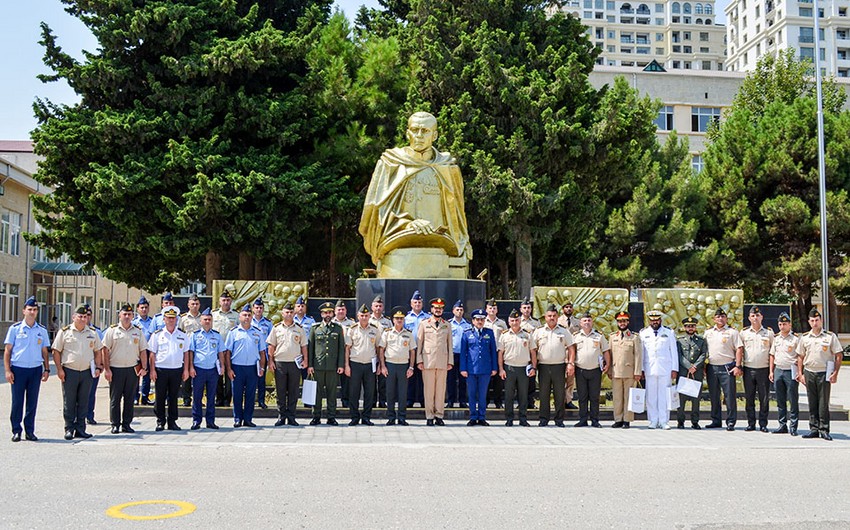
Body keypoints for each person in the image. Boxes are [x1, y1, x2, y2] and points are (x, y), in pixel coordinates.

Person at [358, 111, 472, 274]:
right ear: (407, 133)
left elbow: (458, 219)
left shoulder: (447, 167)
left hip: (442, 253)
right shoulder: (391, 164)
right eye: (414, 130)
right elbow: (375, 212)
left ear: (435, 135)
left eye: (425, 131)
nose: (419, 135)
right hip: (398, 255)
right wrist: (406, 224)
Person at [52, 305, 104, 440]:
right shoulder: (65, 332)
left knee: (83, 401)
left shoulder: (92, 333)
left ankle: (81, 429)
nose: (82, 319)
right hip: (70, 371)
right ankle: (69, 428)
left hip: (86, 372)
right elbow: (56, 351)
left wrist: (98, 367)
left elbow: (98, 351)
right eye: (80, 316)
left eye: (85, 316)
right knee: (69, 401)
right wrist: (59, 369)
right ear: (73, 317)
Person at [4, 296, 50, 442]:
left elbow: (44, 351)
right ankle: (16, 430)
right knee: (17, 402)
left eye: (35, 310)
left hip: (35, 370)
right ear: (24, 311)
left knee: (32, 402)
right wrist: (7, 370)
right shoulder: (15, 329)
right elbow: (7, 351)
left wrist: (47, 369)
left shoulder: (41, 330)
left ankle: (30, 431)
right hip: (18, 369)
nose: (32, 312)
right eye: (29, 309)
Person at [102, 303, 148, 434]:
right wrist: (107, 369)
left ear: (133, 316)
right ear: (119, 315)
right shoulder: (112, 330)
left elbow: (143, 350)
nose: (127, 317)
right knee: (115, 399)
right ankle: (115, 424)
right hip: (116, 369)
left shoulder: (137, 331)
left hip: (132, 370)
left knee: (129, 398)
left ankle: (126, 424)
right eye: (124, 314)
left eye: (129, 314)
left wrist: (144, 367)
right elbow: (105, 350)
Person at [796, 308, 842, 441]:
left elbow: (838, 355)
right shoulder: (804, 338)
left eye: (817, 320)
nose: (815, 323)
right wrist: (800, 373)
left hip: (824, 373)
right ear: (809, 322)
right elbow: (800, 356)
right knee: (812, 402)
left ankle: (824, 429)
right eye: (812, 320)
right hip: (809, 372)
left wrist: (835, 373)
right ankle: (814, 428)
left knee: (823, 402)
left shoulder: (829, 336)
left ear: (821, 321)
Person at [530, 303, 575, 427]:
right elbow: (533, 349)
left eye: (554, 315)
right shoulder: (538, 332)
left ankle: (559, 419)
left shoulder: (563, 331)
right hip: (543, 366)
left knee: (559, 394)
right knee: (544, 394)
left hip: (559, 366)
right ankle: (543, 419)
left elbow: (571, 348)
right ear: (545, 317)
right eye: (549, 315)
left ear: (557, 316)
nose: (552, 318)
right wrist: (534, 365)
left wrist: (570, 363)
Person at [224, 304, 266, 428]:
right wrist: (229, 369)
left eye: (249, 315)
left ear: (252, 316)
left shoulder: (257, 333)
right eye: (244, 315)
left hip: (252, 367)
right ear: (240, 317)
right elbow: (227, 353)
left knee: (250, 394)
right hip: (237, 367)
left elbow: (262, 352)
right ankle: (237, 418)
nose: (247, 317)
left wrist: (262, 368)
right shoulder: (233, 332)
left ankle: (248, 419)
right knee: (237, 394)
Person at [267, 301, 308, 427]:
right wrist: (270, 361)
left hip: (295, 364)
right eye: (287, 312)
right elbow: (271, 346)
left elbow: (304, 346)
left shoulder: (299, 329)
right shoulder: (276, 328)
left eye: (291, 312)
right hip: (280, 363)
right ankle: (281, 416)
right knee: (280, 391)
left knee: (293, 391)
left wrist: (306, 360)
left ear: (294, 313)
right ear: (282, 313)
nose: (289, 314)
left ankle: (291, 416)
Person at [149, 307, 189, 431]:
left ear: (176, 319)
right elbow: (152, 354)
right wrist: (152, 370)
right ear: (164, 319)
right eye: (169, 318)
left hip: (176, 370)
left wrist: (186, 369)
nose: (171, 320)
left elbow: (186, 353)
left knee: (174, 397)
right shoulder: (157, 335)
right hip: (161, 369)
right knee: (160, 396)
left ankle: (172, 422)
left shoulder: (182, 335)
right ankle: (160, 421)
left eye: (173, 318)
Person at [703, 307, 744, 431]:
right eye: (718, 317)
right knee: (714, 395)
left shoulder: (733, 332)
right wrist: (704, 366)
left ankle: (731, 421)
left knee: (729, 396)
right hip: (712, 367)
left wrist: (737, 366)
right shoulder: (708, 332)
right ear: (714, 319)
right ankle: (716, 420)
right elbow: (704, 350)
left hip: (727, 367)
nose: (720, 319)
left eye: (723, 316)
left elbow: (739, 349)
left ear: (726, 318)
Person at [344, 305, 384, 426]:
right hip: (355, 364)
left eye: (366, 316)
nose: (364, 318)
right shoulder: (352, 329)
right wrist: (347, 365)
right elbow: (347, 349)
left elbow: (378, 348)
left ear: (369, 316)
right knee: (354, 392)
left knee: (369, 392)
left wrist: (380, 365)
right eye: (362, 315)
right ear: (358, 316)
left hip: (370, 364)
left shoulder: (374, 329)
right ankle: (354, 417)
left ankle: (366, 417)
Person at [640, 310, 678, 430]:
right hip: (649, 368)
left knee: (664, 395)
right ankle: (653, 420)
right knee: (651, 396)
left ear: (660, 320)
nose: (654, 322)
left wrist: (674, 368)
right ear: (649, 321)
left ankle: (664, 421)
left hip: (665, 368)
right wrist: (641, 369)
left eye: (657, 319)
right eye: (652, 320)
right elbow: (641, 353)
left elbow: (674, 351)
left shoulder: (669, 332)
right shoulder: (643, 333)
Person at [417, 297, 453, 426]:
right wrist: (419, 360)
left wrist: (450, 361)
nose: (438, 310)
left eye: (440, 308)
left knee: (440, 390)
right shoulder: (424, 324)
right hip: (428, 361)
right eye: (436, 308)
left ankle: (439, 415)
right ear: (431, 309)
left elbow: (450, 344)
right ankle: (429, 416)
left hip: (442, 361)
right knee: (429, 390)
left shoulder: (447, 324)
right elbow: (419, 342)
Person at [187, 308, 225, 430]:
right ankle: (196, 421)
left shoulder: (217, 335)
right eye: (205, 319)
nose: (207, 321)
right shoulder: (195, 335)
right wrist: (191, 367)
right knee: (197, 396)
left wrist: (223, 366)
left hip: (213, 370)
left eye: (209, 319)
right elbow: (191, 352)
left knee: (211, 396)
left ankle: (210, 421)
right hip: (199, 369)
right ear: (201, 321)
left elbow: (220, 352)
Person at [308, 302, 345, 425]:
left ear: (333, 313)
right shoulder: (315, 328)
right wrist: (310, 365)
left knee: (332, 393)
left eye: (330, 312)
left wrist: (340, 365)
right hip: (318, 366)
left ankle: (331, 417)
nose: (327, 315)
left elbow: (341, 349)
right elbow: (311, 348)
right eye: (325, 312)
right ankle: (316, 416)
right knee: (317, 393)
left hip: (332, 366)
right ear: (321, 314)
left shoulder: (338, 329)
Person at [460, 309, 497, 426]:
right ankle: (472, 416)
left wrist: (494, 367)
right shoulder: (466, 333)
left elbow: (493, 352)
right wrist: (463, 368)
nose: (480, 321)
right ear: (473, 321)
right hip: (471, 369)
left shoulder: (489, 333)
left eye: (482, 319)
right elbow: (463, 353)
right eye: (477, 319)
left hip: (485, 369)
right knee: (471, 394)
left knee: (482, 395)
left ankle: (481, 417)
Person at [498, 309, 535, 427]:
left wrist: (533, 367)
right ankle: (509, 419)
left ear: (520, 321)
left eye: (517, 320)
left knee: (523, 395)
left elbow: (533, 352)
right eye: (512, 320)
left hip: (523, 368)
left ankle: (523, 418)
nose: (515, 322)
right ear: (509, 321)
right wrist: (501, 369)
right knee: (509, 395)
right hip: (509, 368)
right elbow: (500, 353)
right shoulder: (504, 335)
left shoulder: (527, 335)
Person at [740, 306, 774, 432]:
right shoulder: (743, 333)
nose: (755, 318)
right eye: (753, 316)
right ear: (749, 318)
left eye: (757, 315)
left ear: (762, 317)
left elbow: (772, 353)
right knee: (749, 398)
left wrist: (771, 370)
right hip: (748, 369)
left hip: (763, 369)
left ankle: (763, 424)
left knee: (764, 398)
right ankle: (751, 423)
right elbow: (740, 351)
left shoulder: (769, 333)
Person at [573, 312, 610, 427]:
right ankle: (583, 419)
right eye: (584, 321)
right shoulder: (576, 336)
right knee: (582, 396)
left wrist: (607, 364)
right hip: (580, 370)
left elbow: (605, 351)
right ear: (580, 323)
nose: (587, 323)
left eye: (589, 320)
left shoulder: (599, 336)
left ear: (592, 322)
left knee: (594, 397)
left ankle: (595, 420)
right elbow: (572, 351)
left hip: (595, 370)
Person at [379, 306, 415, 425]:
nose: (399, 320)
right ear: (393, 320)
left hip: (403, 365)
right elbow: (381, 349)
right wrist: (383, 366)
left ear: (404, 319)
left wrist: (411, 367)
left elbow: (412, 351)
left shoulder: (408, 334)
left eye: (401, 318)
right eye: (397, 318)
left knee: (402, 393)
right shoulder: (387, 333)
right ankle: (390, 417)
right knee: (390, 392)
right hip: (390, 365)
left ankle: (402, 417)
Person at [609, 311, 642, 429]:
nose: (622, 323)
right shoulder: (612, 336)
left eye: (624, 321)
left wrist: (638, 371)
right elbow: (610, 355)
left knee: (628, 396)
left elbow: (638, 355)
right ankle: (618, 419)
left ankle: (627, 419)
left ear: (628, 322)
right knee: (617, 397)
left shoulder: (634, 337)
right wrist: (609, 370)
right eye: (619, 321)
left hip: (630, 371)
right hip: (616, 370)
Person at [769, 312, 800, 436]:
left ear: (790, 325)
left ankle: (793, 426)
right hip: (779, 370)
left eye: (785, 324)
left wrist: (799, 372)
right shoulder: (776, 338)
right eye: (780, 324)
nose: (782, 326)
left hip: (791, 370)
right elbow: (772, 355)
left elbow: (799, 356)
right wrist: (771, 371)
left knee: (792, 399)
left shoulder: (796, 339)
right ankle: (782, 425)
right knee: (780, 400)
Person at [676, 316, 707, 429]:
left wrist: (695, 366)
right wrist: (689, 366)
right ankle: (680, 421)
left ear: (695, 327)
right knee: (682, 399)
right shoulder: (679, 341)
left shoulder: (701, 341)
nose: (690, 328)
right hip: (684, 372)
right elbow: (679, 356)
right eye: (688, 326)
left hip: (696, 372)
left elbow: (703, 354)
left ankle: (695, 421)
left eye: (692, 326)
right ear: (684, 327)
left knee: (696, 399)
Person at [212, 290, 238, 406]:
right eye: (224, 300)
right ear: (219, 302)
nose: (226, 302)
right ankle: (219, 399)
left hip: (230, 350)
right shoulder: (213, 315)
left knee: (229, 375)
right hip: (216, 350)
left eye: (228, 300)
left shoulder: (236, 316)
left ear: (231, 301)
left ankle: (228, 399)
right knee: (217, 375)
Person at [404, 290, 429, 408]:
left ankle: (424, 400)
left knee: (424, 378)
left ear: (422, 304)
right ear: (411, 303)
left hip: (424, 350)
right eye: (415, 302)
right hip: (409, 351)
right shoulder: (405, 318)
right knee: (410, 376)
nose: (417, 304)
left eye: (419, 302)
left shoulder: (428, 317)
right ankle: (410, 399)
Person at [179, 293, 203, 407]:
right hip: (186, 350)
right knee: (186, 375)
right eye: (192, 303)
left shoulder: (203, 318)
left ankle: (198, 399)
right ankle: (186, 398)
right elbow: (179, 333)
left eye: (197, 303)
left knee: (198, 376)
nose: (194, 305)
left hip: (199, 350)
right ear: (188, 305)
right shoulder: (183, 319)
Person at [483, 299, 507, 408]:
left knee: (499, 379)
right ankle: (486, 400)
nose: (492, 310)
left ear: (497, 310)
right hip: (486, 353)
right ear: (486, 310)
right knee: (486, 378)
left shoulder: (502, 323)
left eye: (494, 308)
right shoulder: (483, 321)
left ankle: (498, 401)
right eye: (490, 308)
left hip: (499, 353)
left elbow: (506, 336)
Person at [369, 295, 392, 409]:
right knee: (372, 380)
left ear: (383, 307)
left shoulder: (387, 322)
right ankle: (372, 401)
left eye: (380, 306)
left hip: (383, 354)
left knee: (383, 379)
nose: (378, 308)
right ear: (372, 307)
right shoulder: (367, 319)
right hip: (371, 354)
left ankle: (382, 401)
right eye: (376, 306)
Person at [448, 300, 472, 409]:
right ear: (453, 311)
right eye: (457, 309)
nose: (459, 312)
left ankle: (462, 401)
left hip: (464, 355)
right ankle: (450, 401)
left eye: (461, 310)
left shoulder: (467, 325)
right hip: (452, 355)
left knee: (463, 380)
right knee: (450, 379)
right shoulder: (448, 324)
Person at [133, 295, 156, 405]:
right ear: (137, 308)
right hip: (136, 351)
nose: (144, 309)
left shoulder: (152, 321)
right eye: (142, 307)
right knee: (136, 375)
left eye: (146, 307)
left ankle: (145, 397)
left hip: (148, 351)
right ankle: (135, 397)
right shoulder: (134, 322)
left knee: (147, 375)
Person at [557, 301, 580, 410]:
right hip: (560, 353)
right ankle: (560, 400)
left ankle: (568, 400)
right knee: (560, 380)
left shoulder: (577, 322)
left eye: (570, 307)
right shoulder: (558, 321)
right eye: (566, 307)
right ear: (562, 309)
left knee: (570, 380)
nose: (568, 309)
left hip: (572, 354)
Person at [83, 304, 104, 426]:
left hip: (92, 365)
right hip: (77, 366)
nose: (86, 318)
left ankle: (90, 415)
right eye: (83, 315)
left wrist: (99, 366)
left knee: (91, 392)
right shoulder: (71, 330)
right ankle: (77, 416)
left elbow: (100, 349)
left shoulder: (96, 331)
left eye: (88, 315)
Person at [251, 298, 273, 410]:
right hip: (251, 355)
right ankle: (250, 401)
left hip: (262, 356)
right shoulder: (249, 321)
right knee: (250, 380)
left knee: (261, 380)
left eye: (261, 308)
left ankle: (261, 401)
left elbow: (271, 341)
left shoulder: (268, 323)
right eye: (257, 308)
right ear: (253, 309)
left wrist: (270, 358)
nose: (259, 310)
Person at [519, 297, 541, 408]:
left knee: (531, 380)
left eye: (528, 308)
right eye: (524, 308)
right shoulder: (517, 321)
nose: (527, 310)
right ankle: (521, 402)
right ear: (521, 309)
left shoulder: (536, 323)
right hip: (521, 354)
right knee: (521, 380)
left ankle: (530, 402)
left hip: (533, 353)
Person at [332, 300, 355, 408]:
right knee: (332, 380)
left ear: (346, 311)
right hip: (333, 354)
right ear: (334, 311)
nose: (341, 311)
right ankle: (332, 402)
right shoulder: (330, 322)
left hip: (347, 354)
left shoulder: (352, 324)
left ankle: (346, 400)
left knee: (346, 380)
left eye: (343, 309)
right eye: (339, 309)